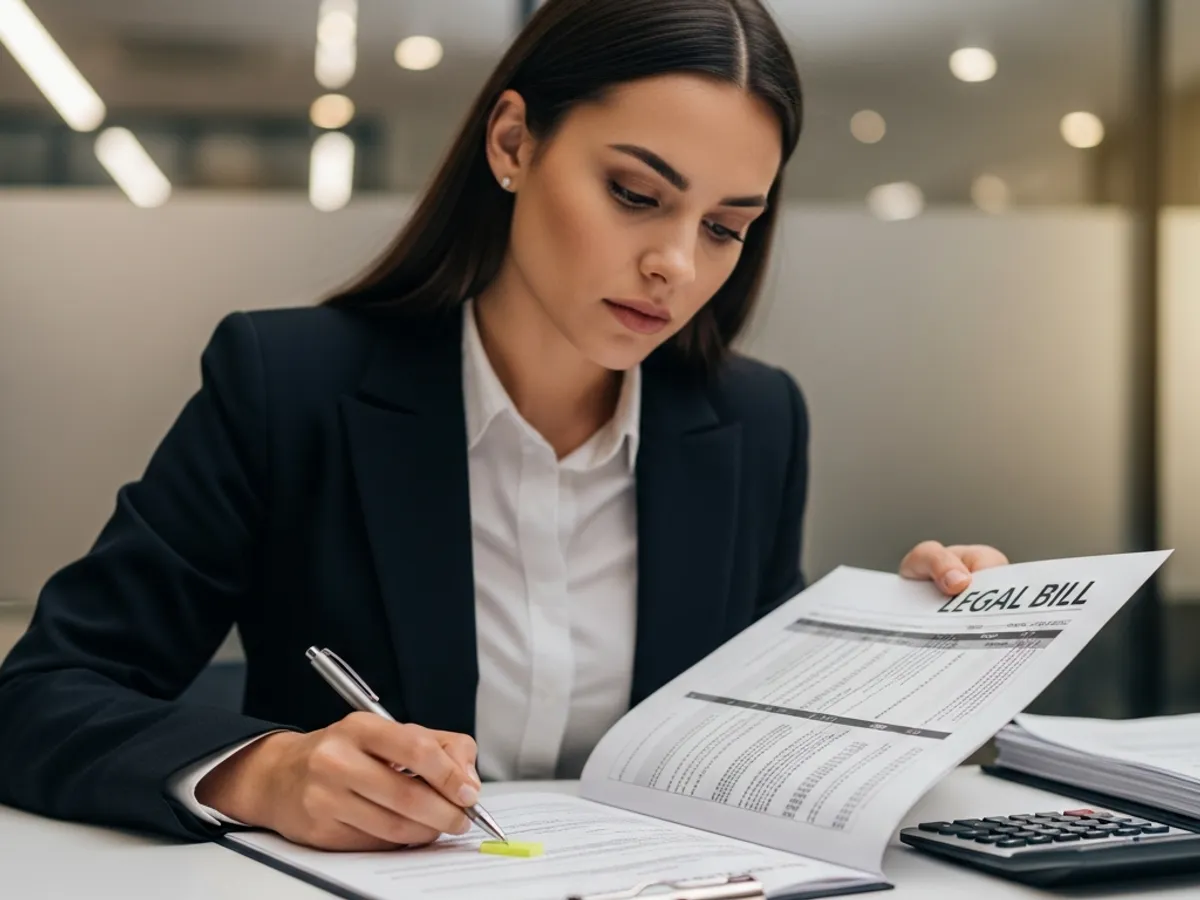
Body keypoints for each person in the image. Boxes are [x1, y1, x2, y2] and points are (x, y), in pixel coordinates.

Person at [0, 0, 1007, 852]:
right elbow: (41, 698)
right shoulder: (289, 385)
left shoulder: (750, 421)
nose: (677, 266)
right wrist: (266, 774)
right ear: (514, 142)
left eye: (725, 227)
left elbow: (759, 738)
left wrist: (920, 660)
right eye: (634, 194)